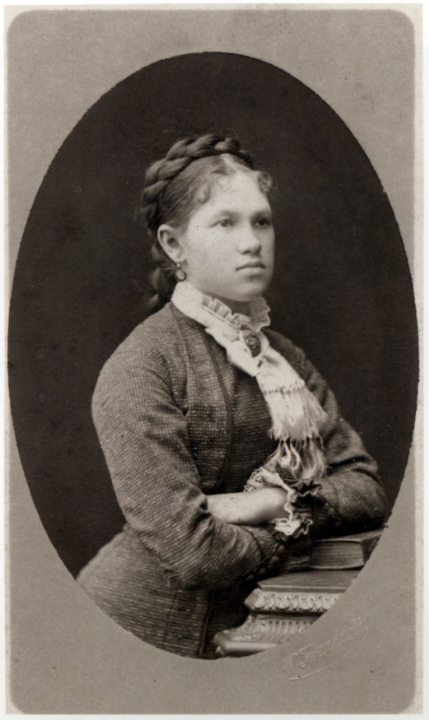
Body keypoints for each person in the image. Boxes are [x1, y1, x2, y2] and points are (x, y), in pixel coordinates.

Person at [78, 134, 386, 659]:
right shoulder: (142, 367)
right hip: (131, 638)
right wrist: (299, 537)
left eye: (261, 221)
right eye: (226, 223)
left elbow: (365, 487)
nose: (252, 242)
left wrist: (270, 503)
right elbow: (193, 553)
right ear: (174, 245)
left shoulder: (283, 360)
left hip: (253, 632)